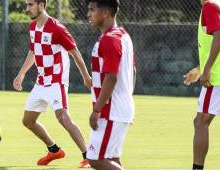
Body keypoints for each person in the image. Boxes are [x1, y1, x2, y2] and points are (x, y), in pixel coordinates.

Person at [13, 0, 91, 168]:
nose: (27, 9)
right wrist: (21, 73)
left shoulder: (57, 28)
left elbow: (75, 52)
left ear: (42, 5)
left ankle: (88, 156)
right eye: (26, 5)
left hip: (57, 81)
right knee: (28, 121)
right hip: (41, 82)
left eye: (30, 5)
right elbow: (33, 51)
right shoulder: (33, 27)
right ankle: (54, 150)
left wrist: (86, 76)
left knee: (63, 117)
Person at [86, 0, 135, 169]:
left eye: (92, 10)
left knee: (95, 159)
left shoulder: (109, 39)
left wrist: (97, 109)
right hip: (119, 109)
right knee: (112, 158)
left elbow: (111, 78)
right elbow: (133, 72)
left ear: (105, 13)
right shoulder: (123, 35)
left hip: (111, 111)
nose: (88, 14)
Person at [183, 0, 220, 169]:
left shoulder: (210, 6)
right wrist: (200, 68)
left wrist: (207, 69)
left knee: (201, 121)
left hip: (218, 78)